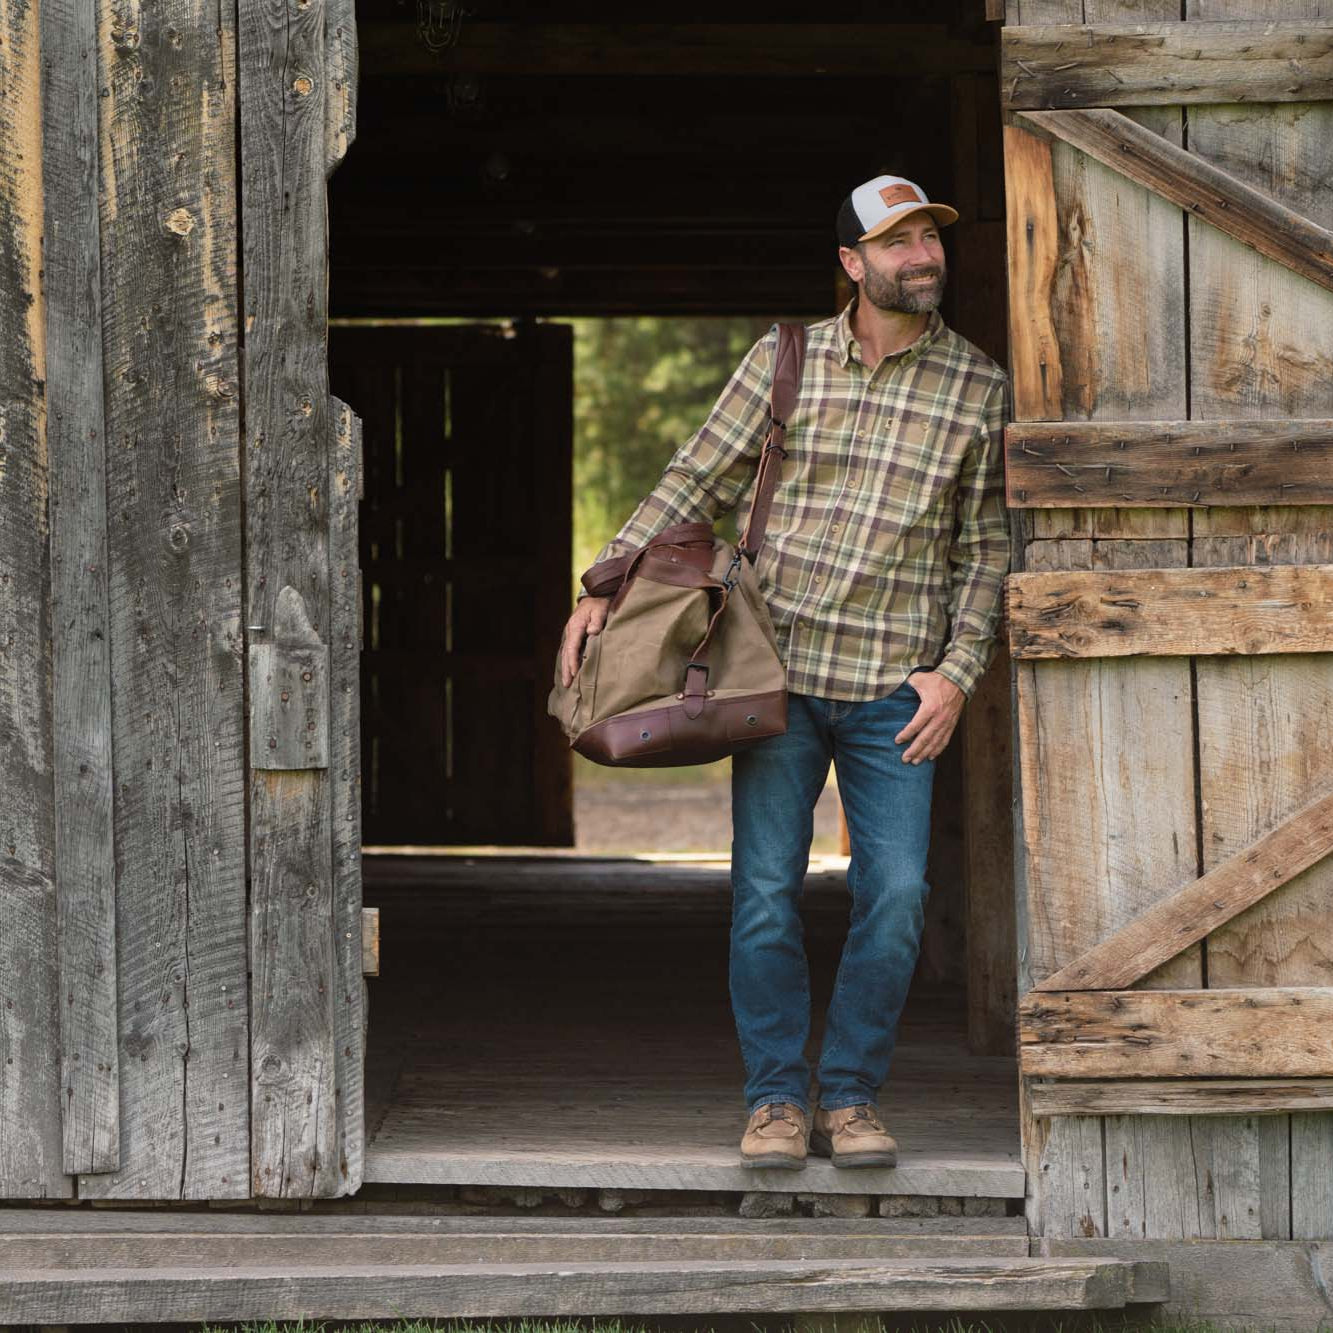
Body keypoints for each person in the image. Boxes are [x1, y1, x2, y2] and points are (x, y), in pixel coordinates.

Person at [559, 175, 1010, 1170]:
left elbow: (983, 548)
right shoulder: (785, 359)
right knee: (765, 889)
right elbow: (693, 480)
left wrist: (956, 672)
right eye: (897, 244)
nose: (922, 257)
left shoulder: (977, 387)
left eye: (929, 239)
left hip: (897, 687)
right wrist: (603, 585)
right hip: (775, 677)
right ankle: (773, 1098)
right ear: (851, 263)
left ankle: (848, 1096)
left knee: (894, 894)